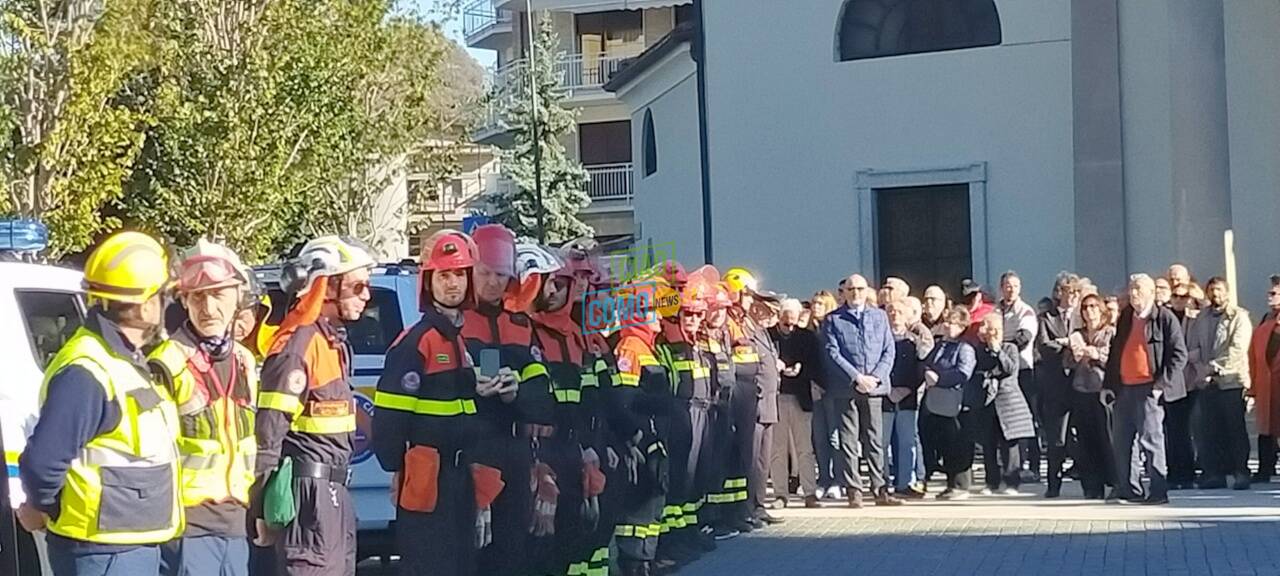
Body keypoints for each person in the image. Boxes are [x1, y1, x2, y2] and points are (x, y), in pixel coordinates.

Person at [18, 232, 182, 576]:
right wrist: (47, 508)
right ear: (145, 305)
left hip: (128, 547)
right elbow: (42, 464)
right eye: (163, 294)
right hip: (101, 553)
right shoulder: (87, 370)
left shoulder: (122, 361)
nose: (167, 304)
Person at [373, 231, 498, 576]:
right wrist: (406, 469)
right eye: (444, 275)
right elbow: (388, 428)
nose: (453, 284)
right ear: (429, 281)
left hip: (459, 478)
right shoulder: (418, 341)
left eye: (459, 274)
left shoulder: (459, 341)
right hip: (427, 481)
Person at [252, 236, 373, 575]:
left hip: (334, 494)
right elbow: (269, 433)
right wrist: (262, 509)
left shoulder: (330, 342)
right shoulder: (299, 345)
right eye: (358, 285)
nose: (367, 295)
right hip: (308, 499)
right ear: (327, 284)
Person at [149, 240, 259, 576]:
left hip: (235, 522)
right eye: (197, 296)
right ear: (183, 300)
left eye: (218, 294)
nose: (208, 307)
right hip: (188, 526)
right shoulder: (166, 363)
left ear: (238, 297)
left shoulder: (244, 360)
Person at [461, 224, 555, 576]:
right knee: (473, 555)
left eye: (501, 275)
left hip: (514, 449)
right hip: (471, 453)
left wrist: (517, 393)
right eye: (485, 273)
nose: (493, 282)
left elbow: (544, 400)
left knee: (513, 552)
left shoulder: (519, 324)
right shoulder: (456, 322)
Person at [1103, 273, 1188, 505]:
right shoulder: (1126, 317)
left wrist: (1160, 384)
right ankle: (1129, 489)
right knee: (1122, 441)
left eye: (1138, 289)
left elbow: (1179, 355)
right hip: (1124, 389)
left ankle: (1158, 492)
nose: (1133, 293)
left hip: (1149, 389)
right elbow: (1115, 353)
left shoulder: (1164, 318)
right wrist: (1108, 386)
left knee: (1151, 440)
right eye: (1131, 288)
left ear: (1151, 293)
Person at [612, 279, 675, 576]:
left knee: (654, 499)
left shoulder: (648, 347)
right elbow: (627, 400)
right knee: (641, 501)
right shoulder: (630, 348)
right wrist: (642, 438)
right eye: (653, 312)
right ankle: (634, 561)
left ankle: (647, 557)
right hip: (644, 439)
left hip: (657, 436)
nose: (660, 319)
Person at [822, 274, 902, 507]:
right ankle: (854, 489)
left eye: (860, 288)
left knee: (874, 440)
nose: (856, 293)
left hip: (874, 388)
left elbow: (889, 350)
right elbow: (832, 352)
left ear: (867, 291)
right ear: (844, 292)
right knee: (848, 440)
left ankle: (880, 488)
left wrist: (875, 378)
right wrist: (856, 377)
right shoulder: (833, 320)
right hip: (846, 388)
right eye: (851, 289)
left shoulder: (879, 316)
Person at [721, 268, 786, 527]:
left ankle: (757, 506)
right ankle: (746, 508)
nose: (753, 303)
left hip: (765, 400)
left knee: (761, 459)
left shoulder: (752, 325)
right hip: (752, 401)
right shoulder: (734, 324)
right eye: (749, 297)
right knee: (748, 458)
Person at [1186, 277, 1253, 490]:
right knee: (1209, 431)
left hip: (1231, 382)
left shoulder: (1239, 317)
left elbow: (1237, 349)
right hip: (1207, 384)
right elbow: (1194, 346)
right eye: (1212, 291)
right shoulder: (1202, 317)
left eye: (1219, 291)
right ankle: (1214, 474)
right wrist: (1199, 368)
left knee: (1235, 430)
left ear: (1227, 292)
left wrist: (1213, 367)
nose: (1216, 295)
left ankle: (1241, 472)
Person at [1061, 294, 1116, 499]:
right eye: (1085, 307)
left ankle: (1114, 482)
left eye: (1094, 306)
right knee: (1085, 441)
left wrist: (1097, 354)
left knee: (1106, 439)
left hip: (1102, 391)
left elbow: (1114, 359)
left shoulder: (1110, 332)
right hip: (1080, 391)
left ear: (1101, 310)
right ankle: (1092, 486)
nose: (1089, 310)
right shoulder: (1077, 334)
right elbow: (1066, 363)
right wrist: (1073, 355)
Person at [919, 307, 977, 499]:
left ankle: (959, 485)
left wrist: (939, 379)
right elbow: (926, 362)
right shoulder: (940, 345)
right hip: (936, 403)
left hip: (955, 403)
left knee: (957, 444)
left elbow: (963, 373)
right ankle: (948, 483)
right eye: (947, 322)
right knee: (942, 442)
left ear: (962, 326)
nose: (947, 326)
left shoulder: (965, 349)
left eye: (952, 323)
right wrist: (926, 372)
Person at [973, 315, 1035, 495]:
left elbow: (1009, 369)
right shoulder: (979, 350)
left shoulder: (1010, 347)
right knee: (988, 443)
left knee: (1010, 443)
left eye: (987, 327)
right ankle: (991, 482)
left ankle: (1011, 482)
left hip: (1008, 399)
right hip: (987, 400)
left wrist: (997, 350)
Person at [768, 299, 820, 508]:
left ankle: (810, 492)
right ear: (779, 318)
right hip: (777, 396)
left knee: (804, 448)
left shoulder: (807, 337)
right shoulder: (768, 336)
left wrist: (800, 369)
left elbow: (817, 366)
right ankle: (781, 494)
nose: (788, 327)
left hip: (801, 396)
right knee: (777, 449)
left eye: (792, 323)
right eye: (784, 322)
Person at [1037, 272, 1082, 498]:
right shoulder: (1047, 318)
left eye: (1076, 292)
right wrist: (1066, 343)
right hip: (1056, 385)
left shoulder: (1083, 317)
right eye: (1069, 292)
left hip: (1081, 382)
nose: (1073, 296)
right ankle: (1053, 484)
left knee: (1084, 434)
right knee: (1057, 438)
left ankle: (1090, 482)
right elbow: (1044, 347)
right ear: (1059, 292)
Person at [997, 271, 1040, 482]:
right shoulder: (997, 310)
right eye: (1006, 285)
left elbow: (1024, 337)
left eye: (1014, 285)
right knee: (1003, 419)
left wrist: (1000, 346)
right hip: (1001, 372)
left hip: (1022, 370)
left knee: (1027, 418)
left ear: (1020, 288)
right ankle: (1008, 464)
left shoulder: (1026, 311)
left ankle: (1032, 465)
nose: (1010, 289)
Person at [883, 300, 925, 498]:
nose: (895, 315)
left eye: (899, 311)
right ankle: (882, 482)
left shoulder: (914, 341)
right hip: (884, 397)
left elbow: (920, 370)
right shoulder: (880, 339)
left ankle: (906, 482)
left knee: (907, 442)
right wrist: (888, 389)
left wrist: (908, 389)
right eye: (891, 311)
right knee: (881, 443)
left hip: (908, 398)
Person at [1165, 283, 1204, 489]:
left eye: (1184, 296)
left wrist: (1183, 358)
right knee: (1173, 429)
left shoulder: (1196, 319)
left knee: (1190, 429)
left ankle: (1188, 473)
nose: (1179, 300)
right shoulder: (1165, 317)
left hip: (1192, 380)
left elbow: (1200, 349)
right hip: (1171, 381)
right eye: (1176, 296)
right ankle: (1174, 473)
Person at [808, 290, 843, 500]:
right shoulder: (809, 332)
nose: (815, 307)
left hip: (833, 389)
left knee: (835, 437)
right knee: (819, 437)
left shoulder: (833, 330)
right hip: (815, 390)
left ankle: (839, 480)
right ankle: (824, 478)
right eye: (814, 303)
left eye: (820, 304)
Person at [1248, 280, 1280, 483]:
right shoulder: (1264, 326)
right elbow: (1253, 357)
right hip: (1267, 385)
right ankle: (1265, 467)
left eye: (1274, 293)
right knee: (1266, 428)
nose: (1269, 296)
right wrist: (1252, 388)